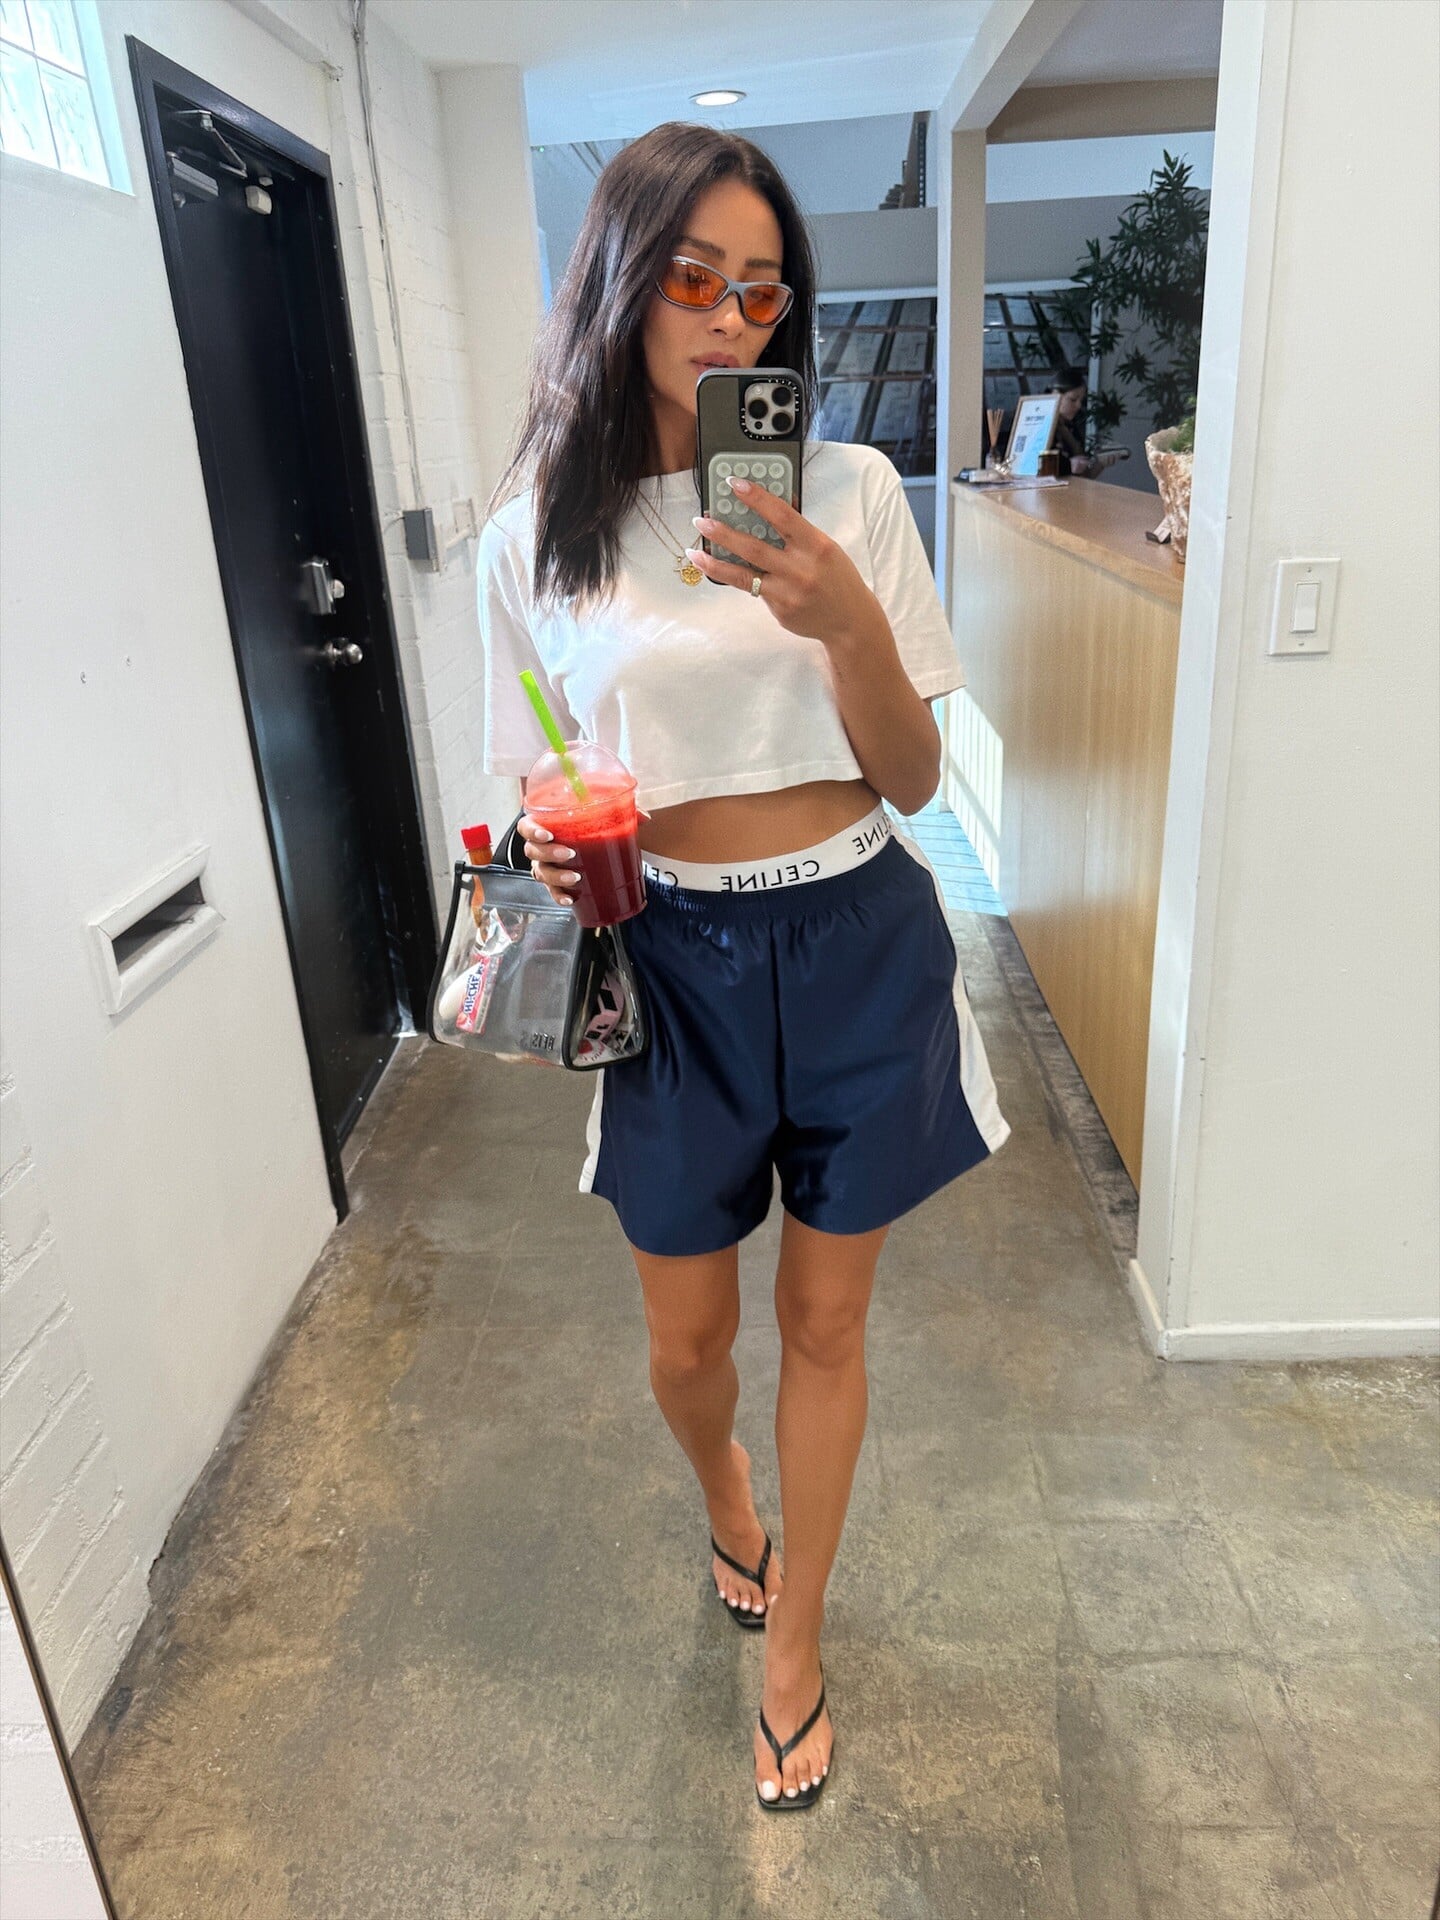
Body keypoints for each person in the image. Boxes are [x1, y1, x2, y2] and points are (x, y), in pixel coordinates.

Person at [476, 122, 1011, 1812]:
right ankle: (724, 1492)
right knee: (689, 1341)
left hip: (856, 935)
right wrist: (545, 840)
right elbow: (532, 782)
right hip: (668, 959)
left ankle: (800, 1639)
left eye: (763, 290)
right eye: (694, 279)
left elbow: (913, 781)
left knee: (827, 1322)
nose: (729, 318)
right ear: (622, 284)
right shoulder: (531, 538)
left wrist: (842, 618)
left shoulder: (846, 494)